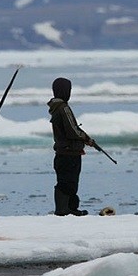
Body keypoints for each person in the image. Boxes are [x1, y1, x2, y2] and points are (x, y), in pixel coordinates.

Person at [47, 77, 94, 216]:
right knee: (69, 182)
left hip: (63, 152)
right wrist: (86, 138)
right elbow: (72, 130)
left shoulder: (55, 108)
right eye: (69, 89)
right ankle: (64, 209)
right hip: (69, 152)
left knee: (65, 181)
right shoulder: (64, 108)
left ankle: (69, 208)